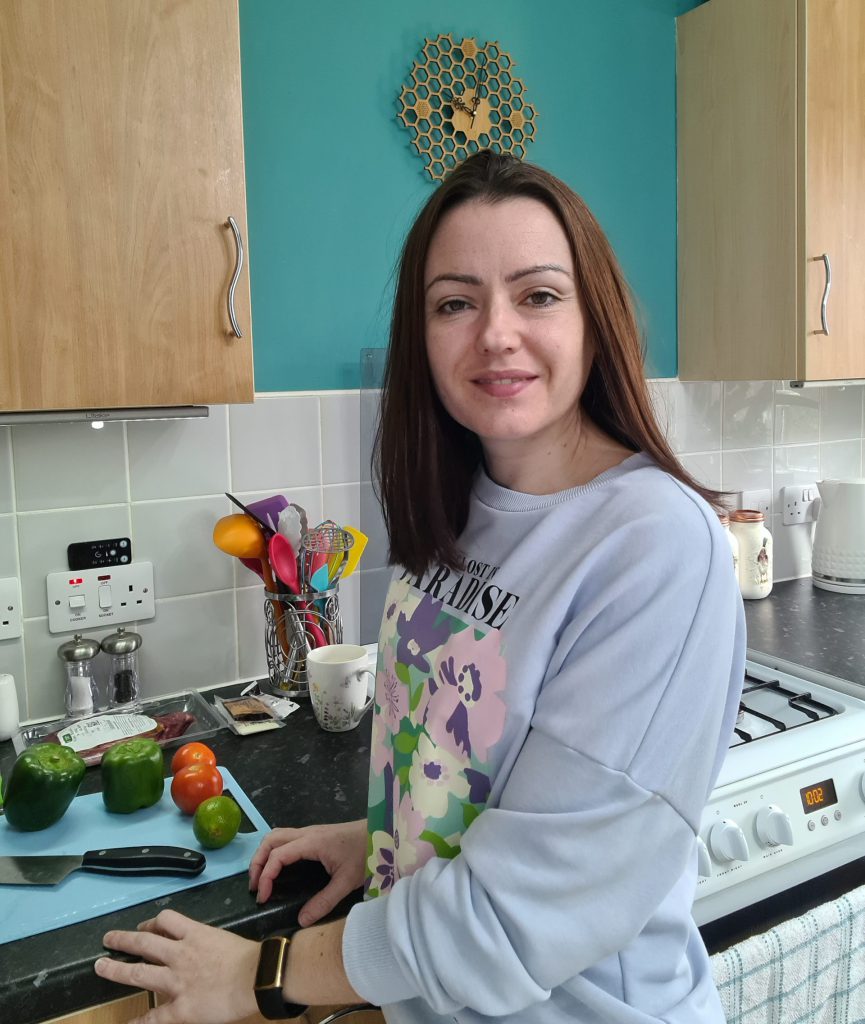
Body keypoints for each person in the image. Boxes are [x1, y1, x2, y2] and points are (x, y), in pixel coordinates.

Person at [94, 151, 745, 1024]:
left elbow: (521, 915)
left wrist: (260, 974)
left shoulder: (652, 544)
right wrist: (388, 840)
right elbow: (459, 752)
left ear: (596, 319)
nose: (495, 333)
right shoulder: (456, 501)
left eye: (538, 294)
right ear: (421, 335)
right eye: (454, 303)